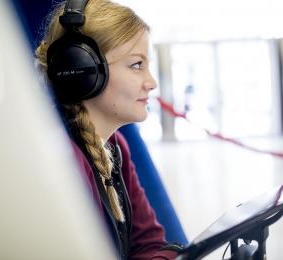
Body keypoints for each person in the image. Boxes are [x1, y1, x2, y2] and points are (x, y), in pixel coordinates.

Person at [35, 0, 184, 259]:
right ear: (81, 69)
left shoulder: (116, 147)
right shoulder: (66, 164)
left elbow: (148, 244)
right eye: (137, 64)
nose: (151, 83)